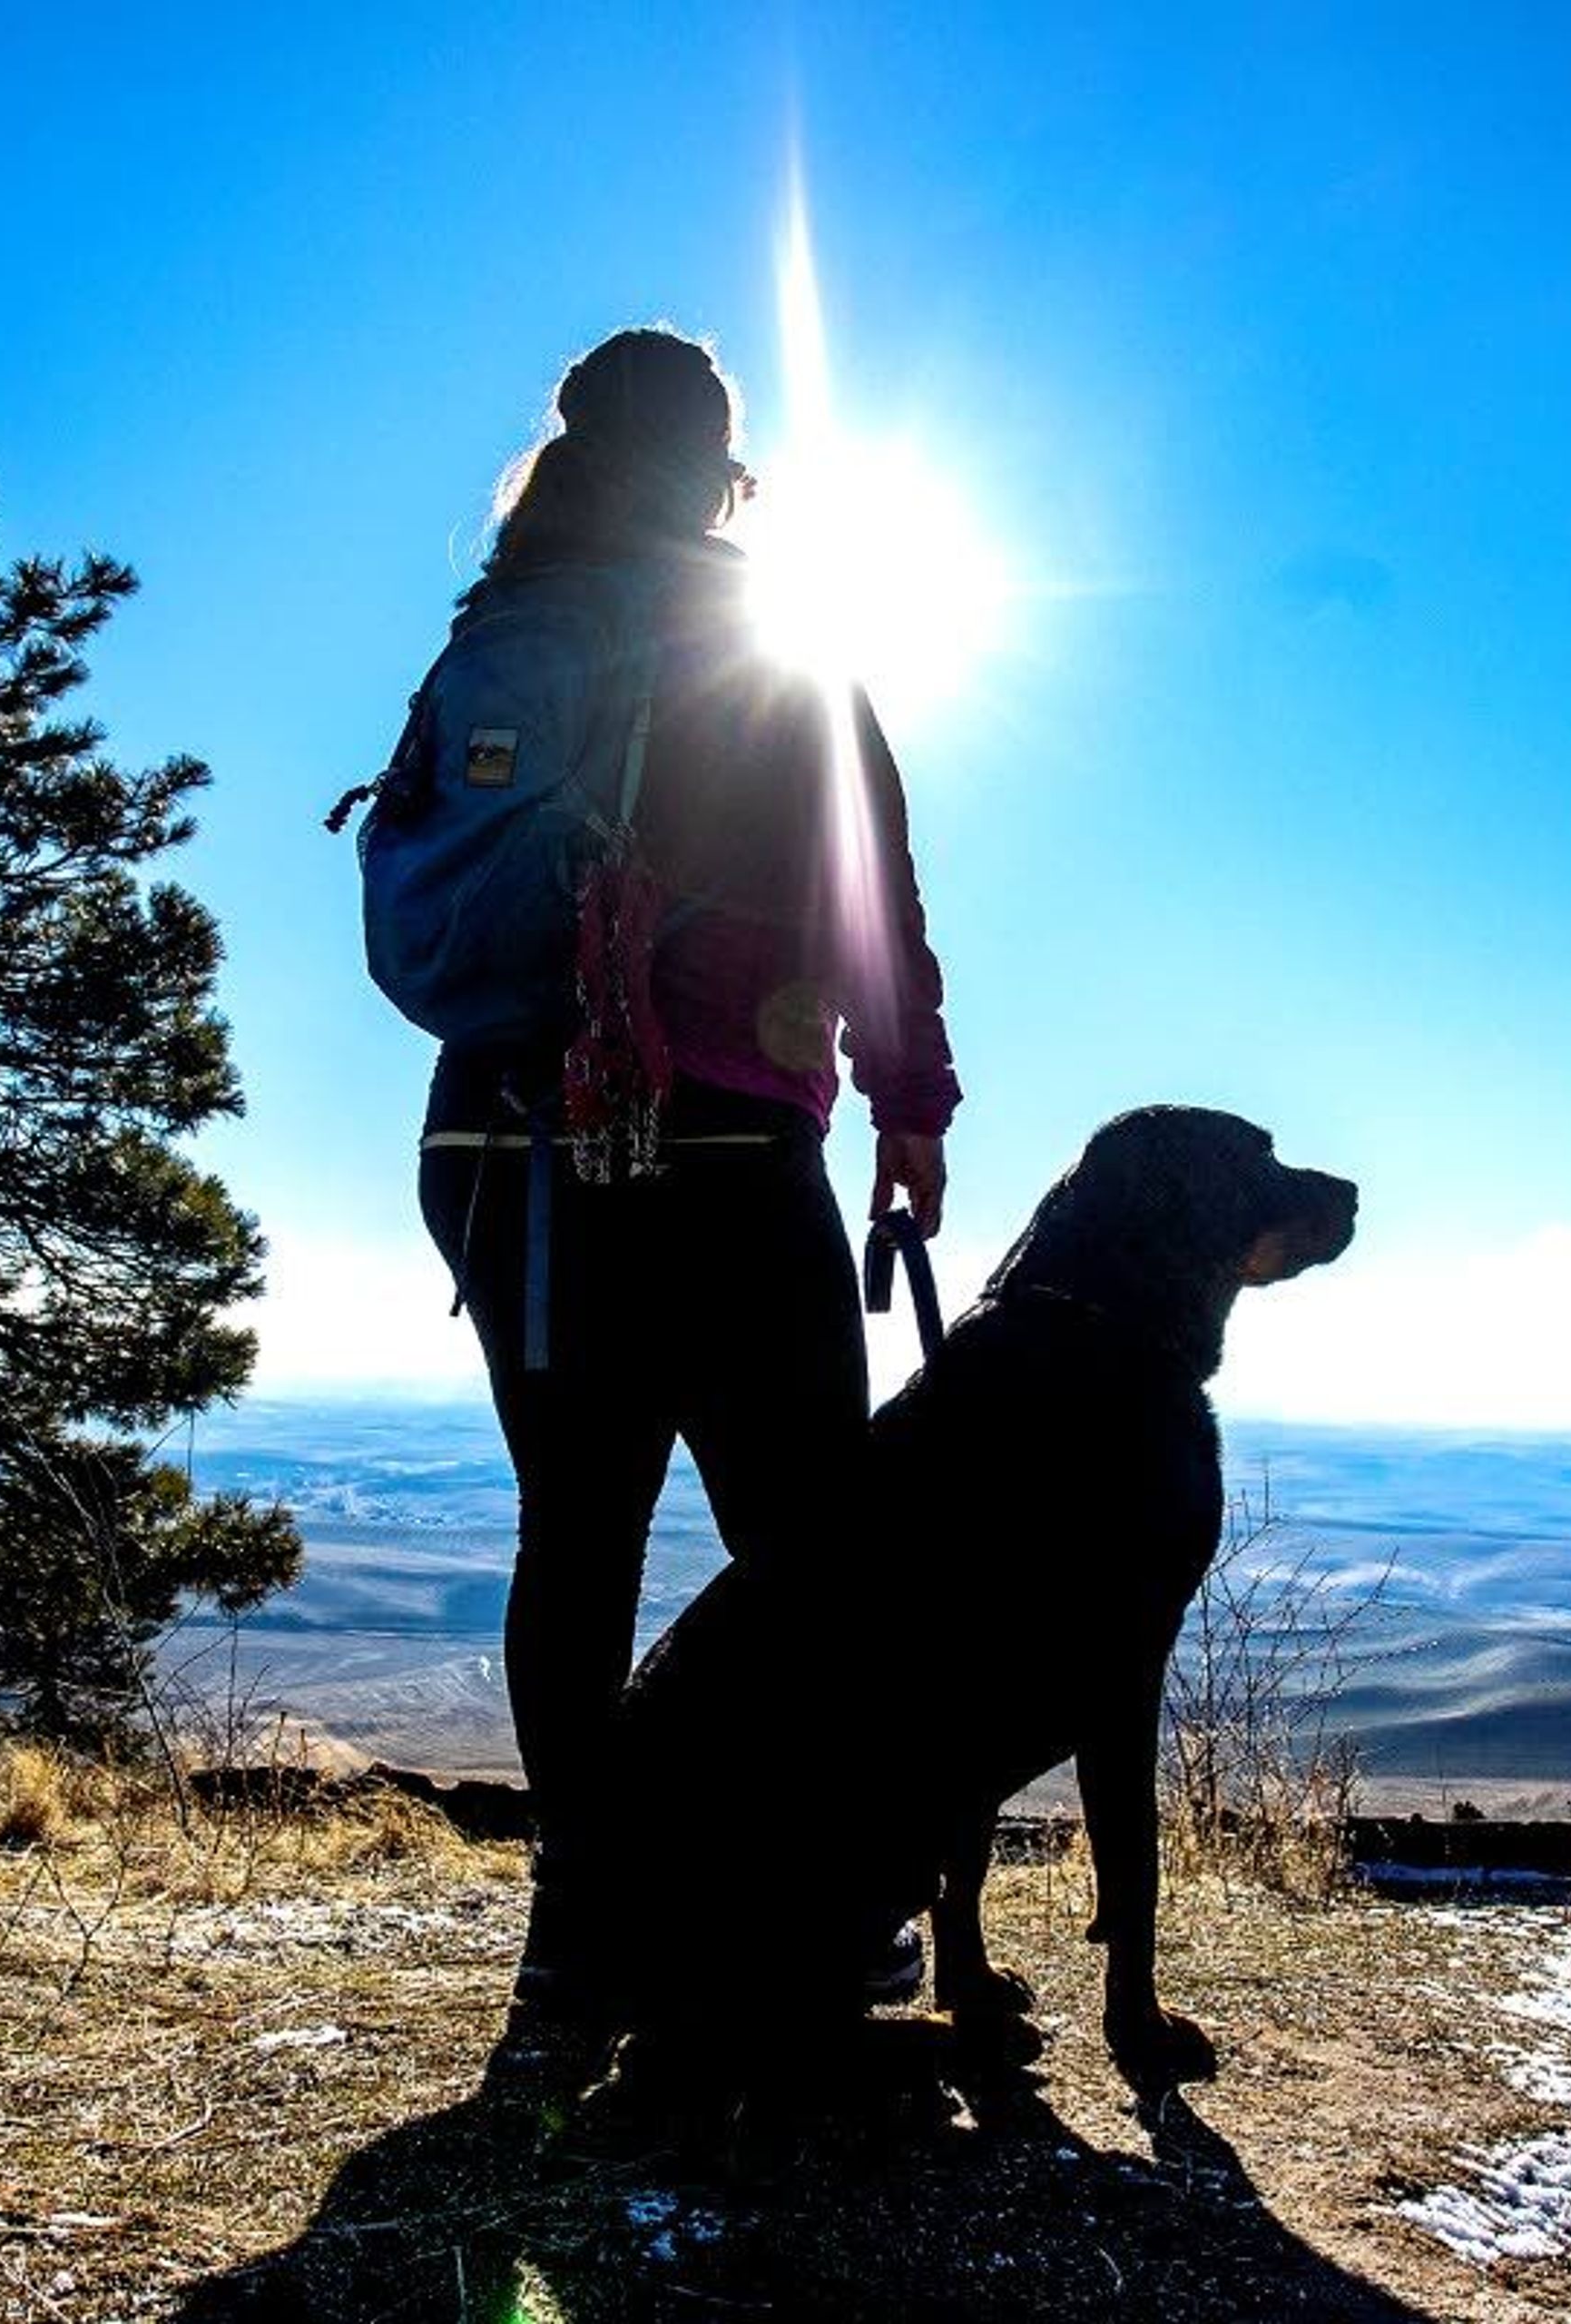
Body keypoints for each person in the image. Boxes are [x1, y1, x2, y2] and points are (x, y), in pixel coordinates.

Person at [409, 327, 961, 2010]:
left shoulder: (499, 633)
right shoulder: (776, 651)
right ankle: (818, 1910)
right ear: (725, 474)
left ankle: (583, 1928)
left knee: (575, 1532)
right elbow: (877, 902)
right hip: (722, 1146)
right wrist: (910, 1109)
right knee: (808, 1545)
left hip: (505, 1148)